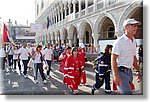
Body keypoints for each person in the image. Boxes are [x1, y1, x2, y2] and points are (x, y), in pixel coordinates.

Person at [111, 18, 142, 94]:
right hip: (120, 72)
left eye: (136, 26)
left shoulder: (133, 41)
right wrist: (116, 76)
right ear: (126, 27)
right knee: (127, 93)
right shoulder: (119, 42)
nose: (136, 28)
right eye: (133, 25)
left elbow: (133, 57)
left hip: (129, 71)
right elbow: (113, 59)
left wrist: (138, 71)